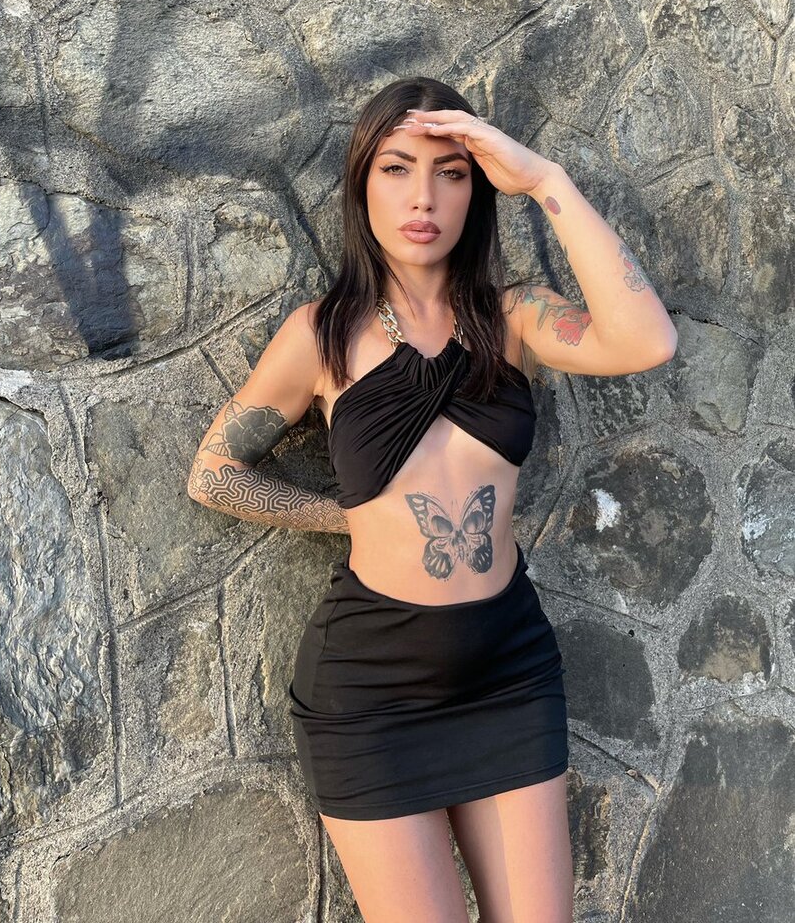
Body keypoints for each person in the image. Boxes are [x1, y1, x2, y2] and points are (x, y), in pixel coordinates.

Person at [188, 77, 678, 922]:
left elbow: (647, 340)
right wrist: (345, 516)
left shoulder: (513, 318)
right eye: (396, 169)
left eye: (451, 173)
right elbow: (213, 473)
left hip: (508, 673)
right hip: (370, 692)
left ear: (476, 191)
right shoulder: (321, 335)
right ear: (362, 185)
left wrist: (545, 180)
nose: (424, 197)